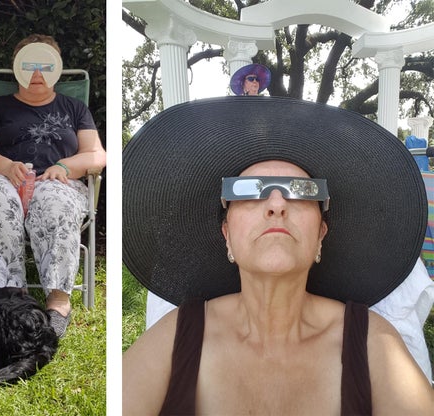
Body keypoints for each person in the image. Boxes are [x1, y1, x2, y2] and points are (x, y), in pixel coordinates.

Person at [122, 96, 434, 414]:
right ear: (227, 235)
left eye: (301, 190)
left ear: (320, 236)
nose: (277, 204)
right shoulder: (176, 338)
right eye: (248, 190)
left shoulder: (374, 344)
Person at [0, 34, 106, 338]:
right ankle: (9, 295)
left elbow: (97, 155)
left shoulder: (75, 108)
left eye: (46, 65)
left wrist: (64, 167)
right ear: (17, 68)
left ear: (57, 68)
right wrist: (5, 166)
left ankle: (57, 301)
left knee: (55, 200)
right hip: (5, 180)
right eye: (29, 65)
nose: (37, 74)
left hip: (57, 183)